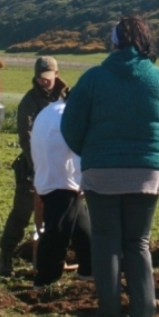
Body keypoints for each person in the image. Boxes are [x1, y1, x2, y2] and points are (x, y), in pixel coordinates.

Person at [61, 15, 159, 317]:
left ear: (114, 43)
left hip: (101, 171)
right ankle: (142, 316)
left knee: (105, 242)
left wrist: (90, 153)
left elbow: (70, 126)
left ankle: (107, 315)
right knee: (138, 242)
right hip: (146, 172)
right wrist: (154, 153)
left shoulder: (93, 78)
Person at [0, 56, 69, 276]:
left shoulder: (67, 97)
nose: (43, 81)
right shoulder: (29, 101)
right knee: (22, 211)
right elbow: (25, 137)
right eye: (39, 78)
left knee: (61, 214)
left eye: (47, 77)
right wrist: (37, 164)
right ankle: (6, 255)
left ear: (56, 74)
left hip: (61, 165)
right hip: (33, 166)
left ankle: (54, 258)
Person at [29, 99, 93, 287]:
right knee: (57, 232)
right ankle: (45, 279)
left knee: (81, 225)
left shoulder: (48, 111)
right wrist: (83, 180)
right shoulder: (70, 117)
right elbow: (77, 150)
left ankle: (90, 267)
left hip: (47, 177)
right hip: (63, 181)